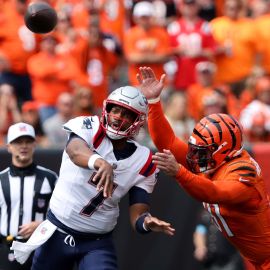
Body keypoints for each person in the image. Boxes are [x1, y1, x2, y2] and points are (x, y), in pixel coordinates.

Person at [11, 86, 175, 270]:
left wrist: (145, 222)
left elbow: (138, 210)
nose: (118, 117)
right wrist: (100, 162)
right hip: (57, 231)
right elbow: (75, 150)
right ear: (107, 109)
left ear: (138, 121)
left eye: (127, 114)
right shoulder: (89, 126)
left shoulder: (144, 159)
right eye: (115, 110)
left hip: (96, 242)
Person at [137, 66, 270, 269]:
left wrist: (179, 172)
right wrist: (154, 102)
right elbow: (169, 142)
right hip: (257, 259)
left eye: (203, 150)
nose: (196, 156)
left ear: (222, 149)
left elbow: (214, 192)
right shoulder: (213, 160)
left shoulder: (244, 173)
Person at [0, 122, 58, 270]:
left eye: (28, 141)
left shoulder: (50, 178)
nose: (23, 146)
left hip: (41, 248)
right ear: (9, 146)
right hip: (7, 249)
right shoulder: (1, 180)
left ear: (34, 144)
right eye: (18, 142)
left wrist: (42, 225)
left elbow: (62, 214)